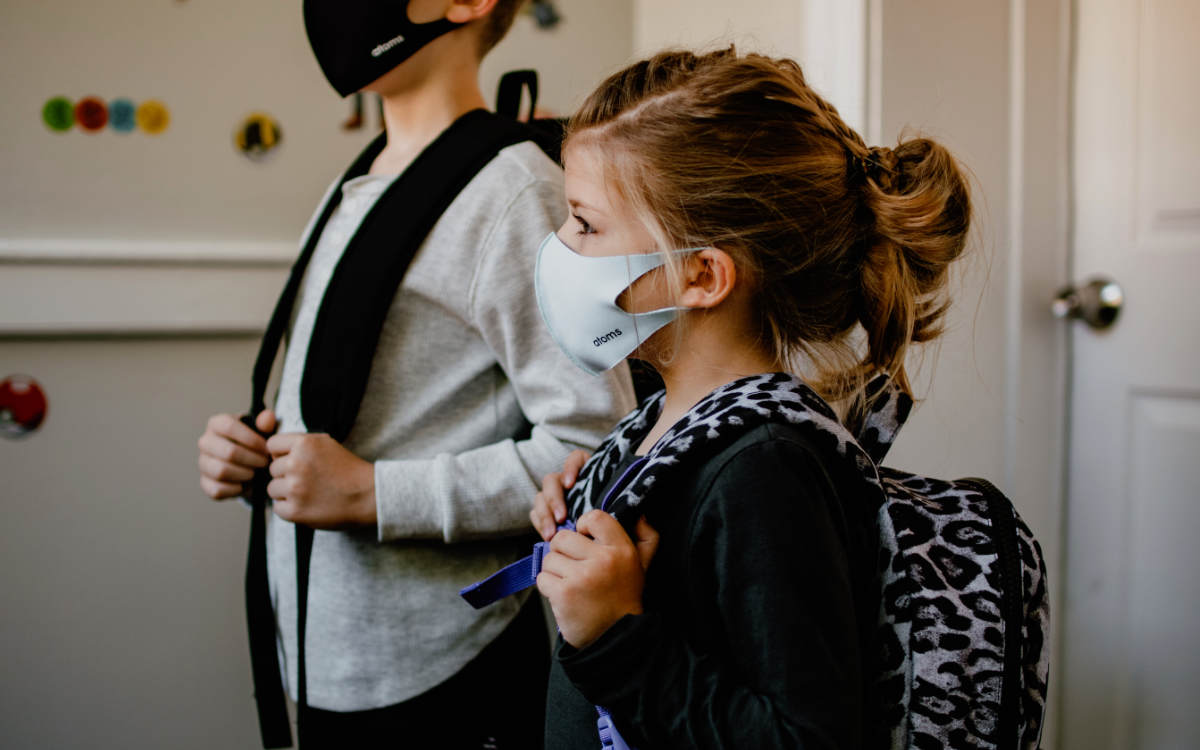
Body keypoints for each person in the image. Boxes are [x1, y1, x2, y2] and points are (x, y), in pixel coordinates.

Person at [197, 0, 635, 747]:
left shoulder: (512, 193)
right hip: (321, 651)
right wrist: (253, 453)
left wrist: (373, 494)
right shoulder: (358, 183)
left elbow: (595, 442)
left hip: (440, 665)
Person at [527, 47, 972, 748]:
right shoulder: (672, 420)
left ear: (702, 275)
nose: (560, 246)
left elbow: (806, 737)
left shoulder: (764, 470)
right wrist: (591, 510)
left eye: (585, 224)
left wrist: (616, 635)